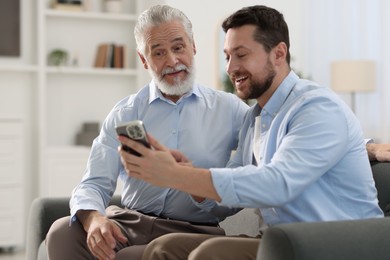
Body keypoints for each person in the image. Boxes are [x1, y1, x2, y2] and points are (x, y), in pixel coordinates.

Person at [120, 5, 384, 260]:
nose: (231, 67)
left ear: (279, 54)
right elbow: (232, 197)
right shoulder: (254, 119)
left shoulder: (317, 107)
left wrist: (177, 175)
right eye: (227, 56)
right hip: (282, 242)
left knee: (208, 255)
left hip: (338, 245)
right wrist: (193, 181)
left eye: (241, 55)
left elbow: (277, 184)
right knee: (166, 248)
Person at [45, 5, 249, 260]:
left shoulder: (231, 110)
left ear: (193, 46)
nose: (172, 61)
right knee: (61, 232)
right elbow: (94, 183)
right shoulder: (126, 112)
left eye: (178, 47)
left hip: (194, 231)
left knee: (133, 256)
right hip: (129, 222)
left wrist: (190, 179)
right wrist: (93, 218)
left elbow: (246, 183)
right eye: (159, 53)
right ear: (144, 60)